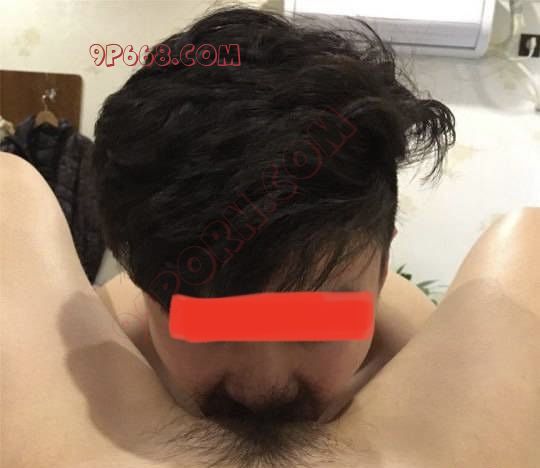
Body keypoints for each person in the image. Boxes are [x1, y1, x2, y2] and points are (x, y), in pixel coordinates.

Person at [2, 7, 539, 468]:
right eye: (208, 326)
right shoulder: (95, 360)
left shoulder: (429, 364)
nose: (261, 385)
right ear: (138, 277)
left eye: (315, 323)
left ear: (383, 268)